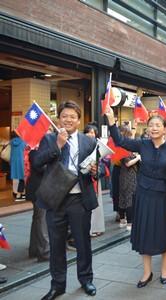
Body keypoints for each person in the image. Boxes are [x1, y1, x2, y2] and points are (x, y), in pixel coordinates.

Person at [33, 101, 98, 299]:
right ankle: (58, 285)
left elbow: (100, 167)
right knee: (56, 244)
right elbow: (37, 162)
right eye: (64, 116)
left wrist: (97, 171)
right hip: (56, 201)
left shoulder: (88, 141)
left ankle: (86, 280)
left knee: (83, 243)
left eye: (72, 116)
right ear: (59, 118)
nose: (68, 119)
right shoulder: (49, 138)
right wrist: (58, 145)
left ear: (79, 120)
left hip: (80, 200)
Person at [106, 111, 166, 287]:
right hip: (144, 196)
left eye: (157, 125)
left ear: (165, 128)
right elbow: (120, 141)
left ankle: (165, 270)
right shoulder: (143, 145)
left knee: (164, 233)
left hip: (164, 199)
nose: (154, 128)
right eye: (151, 125)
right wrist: (111, 121)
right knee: (144, 233)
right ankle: (147, 273)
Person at [83, 124, 106, 237]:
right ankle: (89, 229)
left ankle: (97, 227)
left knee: (97, 204)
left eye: (93, 132)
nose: (91, 134)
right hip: (84, 179)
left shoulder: (97, 146)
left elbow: (102, 164)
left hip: (95, 177)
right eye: (89, 132)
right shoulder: (81, 145)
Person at [118, 126, 140, 231]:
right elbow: (128, 163)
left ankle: (122, 220)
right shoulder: (124, 148)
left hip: (123, 175)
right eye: (130, 134)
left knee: (123, 197)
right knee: (129, 198)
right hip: (129, 175)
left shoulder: (122, 147)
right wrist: (138, 157)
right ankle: (130, 223)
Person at [10, 132, 26, 201]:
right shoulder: (23, 142)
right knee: (22, 177)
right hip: (21, 161)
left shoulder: (11, 142)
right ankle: (20, 194)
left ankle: (18, 193)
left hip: (14, 161)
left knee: (16, 178)